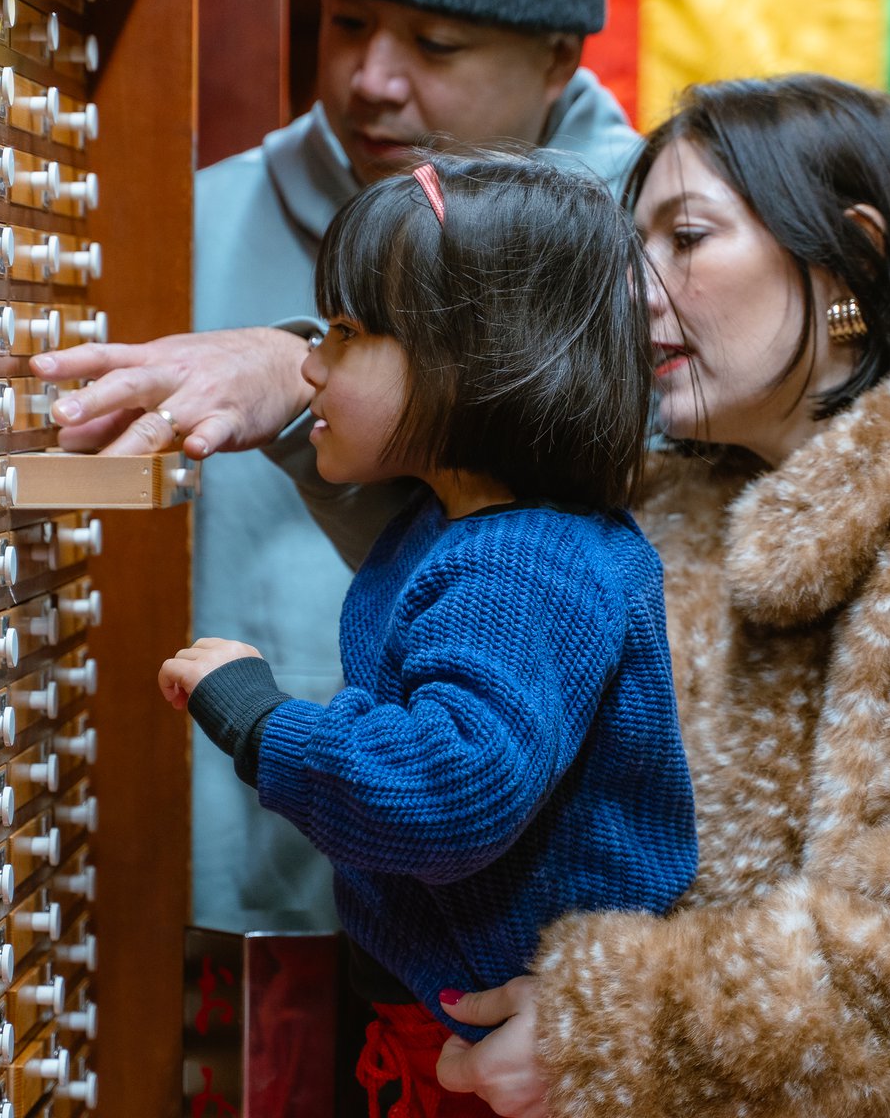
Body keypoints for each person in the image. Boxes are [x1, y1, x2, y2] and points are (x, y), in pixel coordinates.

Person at [63, 76, 890, 1114]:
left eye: (687, 238)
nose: (634, 284)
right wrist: (295, 371)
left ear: (851, 262)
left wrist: (616, 1030)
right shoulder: (681, 494)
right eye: (629, 240)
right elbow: (458, 548)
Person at [37, 0, 638, 935]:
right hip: (196, 894)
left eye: (436, 43)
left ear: (558, 59)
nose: (371, 78)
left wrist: (287, 364)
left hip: (508, 930)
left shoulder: (657, 239)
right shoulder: (188, 213)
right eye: (348, 22)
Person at [156, 154, 698, 1116]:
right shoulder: (464, 527)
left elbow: (451, 788)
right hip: (448, 1032)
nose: (310, 364)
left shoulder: (522, 564)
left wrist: (261, 721)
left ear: (473, 361)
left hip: (512, 1069)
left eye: (348, 334)